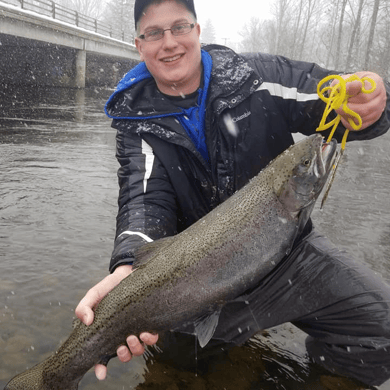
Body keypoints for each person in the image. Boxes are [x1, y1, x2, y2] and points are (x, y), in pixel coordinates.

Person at [75, 0, 390, 386]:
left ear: (198, 31)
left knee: (382, 330)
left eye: (180, 27)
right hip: (195, 283)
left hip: (292, 260)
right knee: (183, 372)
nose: (169, 42)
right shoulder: (135, 122)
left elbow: (338, 99)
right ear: (139, 46)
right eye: (154, 33)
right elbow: (143, 200)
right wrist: (128, 264)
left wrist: (373, 97)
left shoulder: (255, 76)